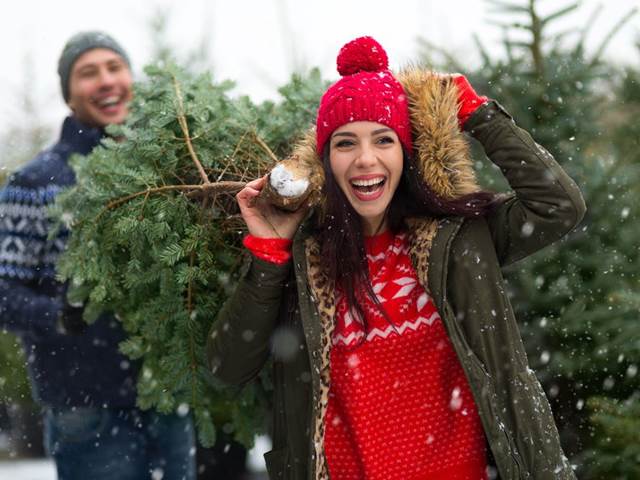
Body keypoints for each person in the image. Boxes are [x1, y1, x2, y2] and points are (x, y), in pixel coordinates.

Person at [208, 36, 586, 480]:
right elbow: (227, 367)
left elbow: (559, 206)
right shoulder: (306, 259)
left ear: (406, 154)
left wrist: (478, 114)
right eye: (345, 144)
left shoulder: (459, 239)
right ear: (326, 162)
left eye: (383, 140)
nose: (365, 159)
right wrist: (269, 255)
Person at [0, 31, 196, 480]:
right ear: (69, 95)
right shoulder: (36, 183)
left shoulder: (168, 174)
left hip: (168, 397)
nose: (106, 81)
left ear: (131, 78)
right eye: (88, 73)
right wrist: (59, 315)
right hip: (86, 406)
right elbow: (4, 291)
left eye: (114, 67)